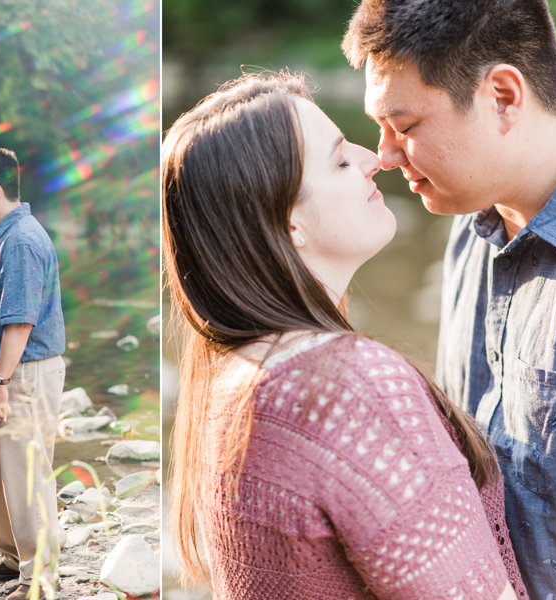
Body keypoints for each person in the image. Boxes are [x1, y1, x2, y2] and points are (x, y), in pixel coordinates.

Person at [164, 72, 526, 599]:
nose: (372, 158)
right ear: (290, 224)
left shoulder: (236, 376)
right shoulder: (346, 387)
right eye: (338, 160)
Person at [342, 1, 556, 596]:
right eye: (379, 127)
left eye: (405, 127)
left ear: (503, 97)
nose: (384, 156)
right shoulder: (470, 230)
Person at [0, 148, 66, 600]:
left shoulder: (21, 240)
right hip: (6, 371)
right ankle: (11, 557)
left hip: (24, 371)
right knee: (2, 473)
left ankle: (40, 577)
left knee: (26, 474)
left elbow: (19, 323)